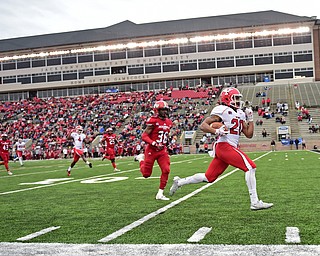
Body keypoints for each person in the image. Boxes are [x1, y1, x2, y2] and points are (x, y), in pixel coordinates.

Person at [169, 87, 273, 210]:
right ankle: (255, 202)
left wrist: (250, 119)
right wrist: (216, 130)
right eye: (235, 98)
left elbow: (249, 134)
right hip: (224, 145)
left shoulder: (240, 113)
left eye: (239, 98)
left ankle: (179, 182)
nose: (238, 101)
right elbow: (204, 125)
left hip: (228, 147)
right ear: (227, 98)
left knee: (209, 177)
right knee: (250, 167)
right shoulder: (221, 110)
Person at [134, 100, 173, 201]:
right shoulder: (153, 121)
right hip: (151, 150)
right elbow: (144, 136)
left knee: (166, 170)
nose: (165, 112)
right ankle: (140, 159)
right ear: (157, 110)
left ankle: (160, 193)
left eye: (166, 109)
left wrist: (166, 143)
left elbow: (165, 135)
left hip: (162, 150)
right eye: (162, 110)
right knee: (146, 174)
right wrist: (154, 143)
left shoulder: (169, 122)